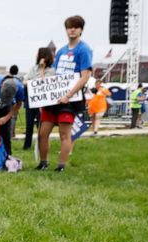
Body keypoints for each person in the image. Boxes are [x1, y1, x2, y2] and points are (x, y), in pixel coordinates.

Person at [37, 15, 92, 172]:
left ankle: (61, 165)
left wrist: (68, 95)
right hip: (54, 98)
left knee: (64, 134)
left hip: (70, 100)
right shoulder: (61, 51)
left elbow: (85, 76)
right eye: (69, 27)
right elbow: (52, 75)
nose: (72, 30)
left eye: (76, 27)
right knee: (43, 133)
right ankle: (43, 162)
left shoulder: (84, 50)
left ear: (81, 29)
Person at [23, 47, 54, 149]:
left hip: (42, 101)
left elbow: (44, 84)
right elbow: (25, 81)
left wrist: (42, 69)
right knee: (29, 123)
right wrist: (34, 83)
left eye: (38, 53)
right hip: (31, 99)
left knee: (41, 124)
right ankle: (27, 145)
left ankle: (41, 145)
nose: (36, 55)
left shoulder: (51, 70)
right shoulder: (33, 68)